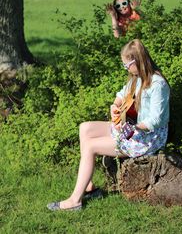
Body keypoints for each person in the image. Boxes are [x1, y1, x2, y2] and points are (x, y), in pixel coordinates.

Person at [47, 39, 170, 211]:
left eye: (127, 65)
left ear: (138, 61)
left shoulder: (158, 84)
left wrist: (132, 127)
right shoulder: (137, 78)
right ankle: (89, 186)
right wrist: (115, 106)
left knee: (90, 147)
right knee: (85, 127)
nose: (126, 68)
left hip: (148, 138)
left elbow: (157, 120)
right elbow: (122, 94)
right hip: (131, 128)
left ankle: (75, 200)